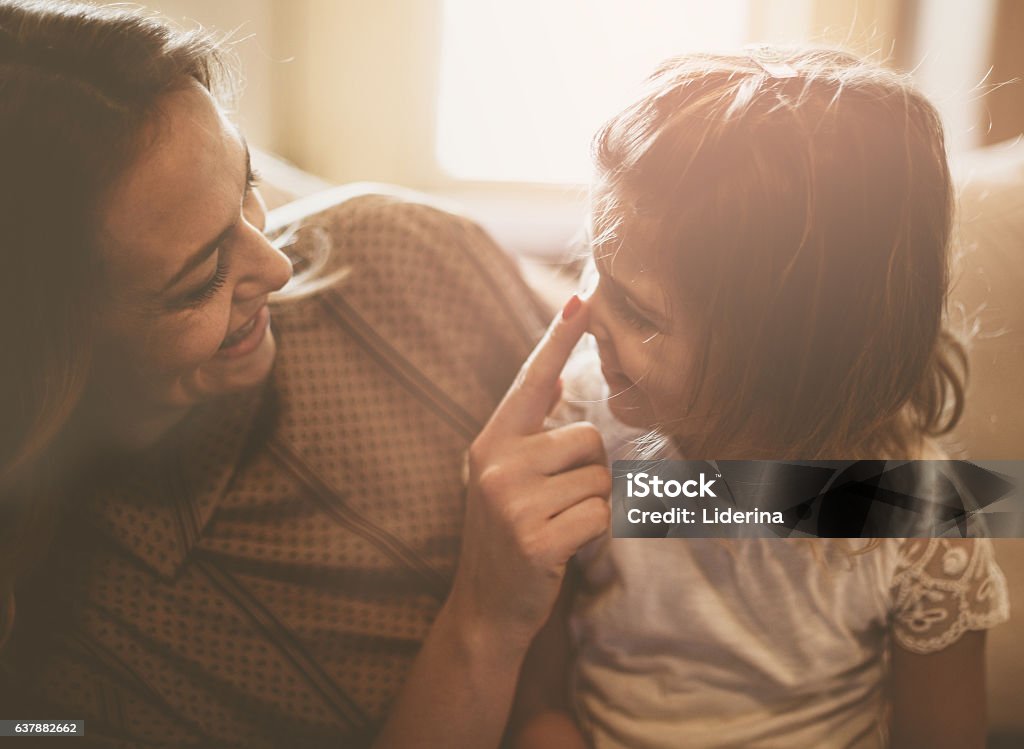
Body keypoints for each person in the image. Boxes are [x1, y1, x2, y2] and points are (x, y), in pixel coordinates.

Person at [0, 2, 612, 746]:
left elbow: (668, 465)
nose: (280, 265)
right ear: (48, 358)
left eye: (247, 189)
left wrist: (789, 500)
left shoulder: (391, 254)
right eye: (203, 276)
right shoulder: (65, 672)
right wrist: (482, 622)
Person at [506, 49, 1011, 748]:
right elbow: (537, 705)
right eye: (597, 266)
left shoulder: (909, 512)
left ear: (789, 363)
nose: (588, 314)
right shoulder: (578, 437)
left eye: (639, 311)